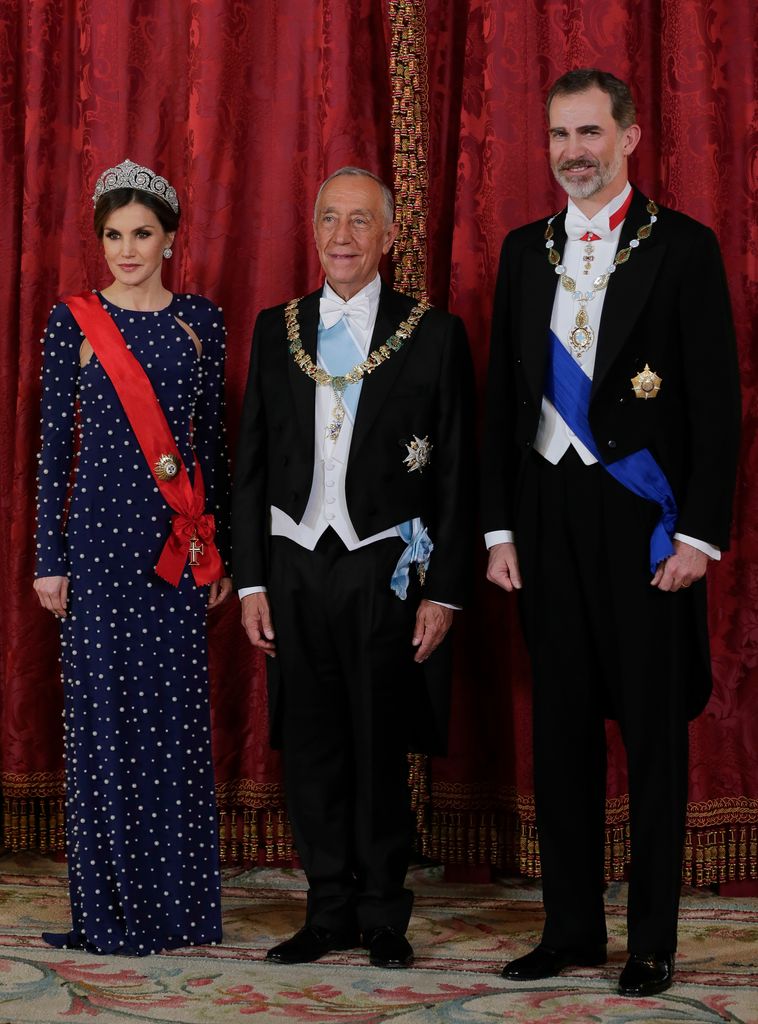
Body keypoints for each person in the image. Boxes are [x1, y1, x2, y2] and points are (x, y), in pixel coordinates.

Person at [482, 69, 740, 997]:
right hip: (546, 517)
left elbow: (717, 409)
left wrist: (699, 539)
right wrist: (500, 529)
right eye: (558, 134)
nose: (573, 152)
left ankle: (652, 941)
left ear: (630, 137)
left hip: (644, 522)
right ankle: (571, 929)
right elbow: (503, 404)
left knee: (653, 738)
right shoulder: (523, 250)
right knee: (560, 735)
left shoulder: (684, 250)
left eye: (590, 133)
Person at [232, 166, 473, 968]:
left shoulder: (433, 334)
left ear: (390, 237)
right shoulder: (278, 327)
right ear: (313, 232)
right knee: (310, 743)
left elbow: (456, 475)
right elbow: (252, 465)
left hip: (384, 567)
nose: (342, 236)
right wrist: (254, 580)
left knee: (377, 740)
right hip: (294, 563)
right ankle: (326, 906)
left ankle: (383, 914)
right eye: (330, 219)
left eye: (361, 221)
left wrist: (444, 591)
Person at [33, 158, 232, 955]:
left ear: (170, 240)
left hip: (174, 552)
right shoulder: (71, 322)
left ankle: (178, 911)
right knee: (105, 725)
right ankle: (112, 908)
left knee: (173, 726)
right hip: (96, 550)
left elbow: (211, 443)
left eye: (141, 234)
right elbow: (53, 450)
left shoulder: (201, 322)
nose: (126, 250)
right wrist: (50, 557)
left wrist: (221, 553)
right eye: (113, 235)